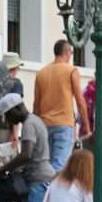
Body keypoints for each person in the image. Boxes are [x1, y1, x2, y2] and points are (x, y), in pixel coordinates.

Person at [0, 94, 54, 202]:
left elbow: (26, 154)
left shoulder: (29, 124)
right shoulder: (35, 120)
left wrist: (0, 170)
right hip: (41, 177)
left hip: (37, 180)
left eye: (8, 115)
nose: (8, 120)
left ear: (17, 109)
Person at [34, 39, 90, 173]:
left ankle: (45, 192)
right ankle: (53, 192)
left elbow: (36, 105)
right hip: (64, 124)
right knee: (60, 166)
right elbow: (80, 101)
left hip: (44, 124)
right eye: (71, 52)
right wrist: (86, 126)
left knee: (46, 165)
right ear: (67, 52)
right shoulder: (71, 71)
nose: (71, 55)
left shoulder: (41, 73)